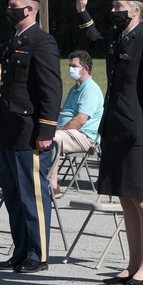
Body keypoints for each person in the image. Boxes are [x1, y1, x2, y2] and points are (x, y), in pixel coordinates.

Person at [77, 0, 143, 285]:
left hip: (139, 131)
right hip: (116, 127)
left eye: (119, 8)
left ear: (136, 10)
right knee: (126, 197)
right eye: (113, 8)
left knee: (142, 198)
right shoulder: (118, 39)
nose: (114, 12)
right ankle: (131, 264)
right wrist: (82, 12)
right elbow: (94, 42)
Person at [0, 0, 62, 273]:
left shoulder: (42, 41)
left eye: (14, 5)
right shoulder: (16, 38)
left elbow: (51, 89)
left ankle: (38, 254)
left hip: (29, 130)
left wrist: (46, 131)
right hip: (9, 128)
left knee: (32, 194)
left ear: (29, 10)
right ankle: (21, 251)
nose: (8, 9)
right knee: (12, 193)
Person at [49, 50, 103, 193]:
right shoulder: (74, 89)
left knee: (53, 137)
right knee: (41, 133)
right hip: (69, 133)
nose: (70, 70)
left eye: (74, 66)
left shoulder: (90, 90)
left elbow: (80, 120)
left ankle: (52, 185)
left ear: (85, 69)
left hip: (86, 136)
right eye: (69, 66)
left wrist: (58, 130)